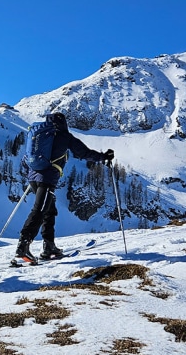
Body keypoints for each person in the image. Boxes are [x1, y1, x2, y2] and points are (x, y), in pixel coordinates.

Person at [16, 111, 114, 264]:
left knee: (49, 210)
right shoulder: (64, 136)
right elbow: (84, 153)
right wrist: (103, 157)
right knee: (40, 210)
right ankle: (23, 245)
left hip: (34, 177)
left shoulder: (39, 134)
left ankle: (49, 246)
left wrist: (32, 175)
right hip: (47, 179)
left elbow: (25, 159)